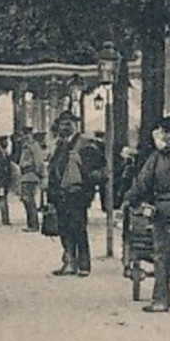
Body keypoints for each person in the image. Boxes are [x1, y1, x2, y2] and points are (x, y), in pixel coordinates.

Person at [124, 115, 170, 313]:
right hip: (162, 212)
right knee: (161, 256)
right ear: (162, 134)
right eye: (166, 132)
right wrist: (129, 199)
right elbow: (143, 182)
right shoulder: (156, 158)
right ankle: (160, 300)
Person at [45, 112, 104, 276]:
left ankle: (84, 265)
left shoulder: (85, 144)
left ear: (75, 125)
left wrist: (87, 194)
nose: (64, 127)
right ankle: (69, 262)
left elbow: (94, 172)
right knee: (64, 229)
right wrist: (51, 195)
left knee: (78, 228)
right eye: (62, 124)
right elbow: (53, 171)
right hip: (61, 195)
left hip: (77, 194)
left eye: (68, 124)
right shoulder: (60, 145)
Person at [15, 128, 44, 232]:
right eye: (24, 135)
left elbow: (39, 161)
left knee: (30, 201)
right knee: (26, 201)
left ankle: (34, 225)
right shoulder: (25, 146)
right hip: (24, 176)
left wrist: (38, 174)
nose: (25, 137)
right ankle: (30, 224)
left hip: (31, 175)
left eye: (27, 134)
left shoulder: (34, 146)